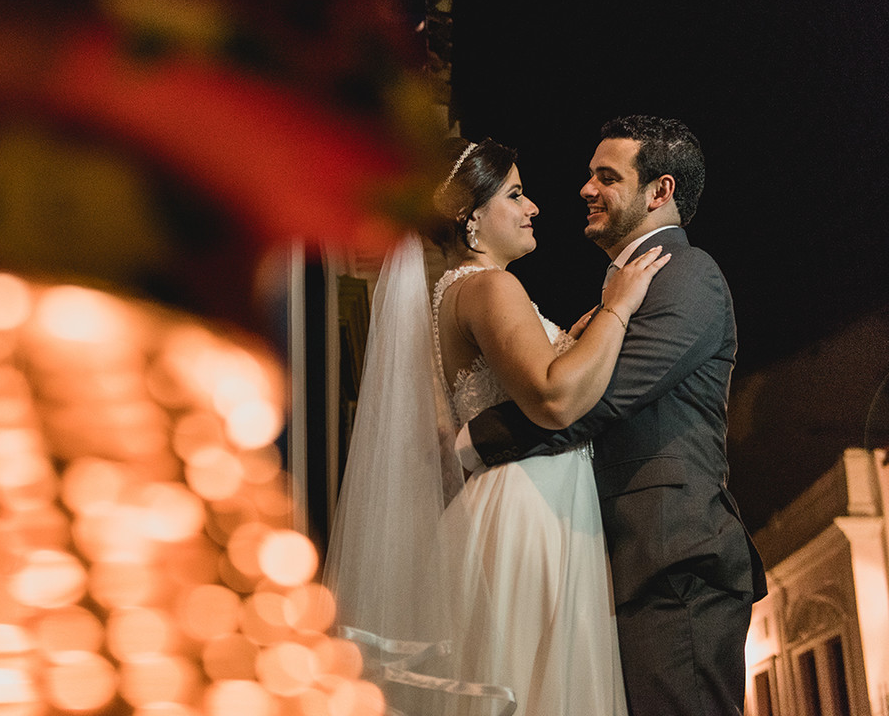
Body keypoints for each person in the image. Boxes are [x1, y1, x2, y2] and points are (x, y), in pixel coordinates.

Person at [323, 136, 668, 715]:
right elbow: (554, 398)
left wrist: (576, 338)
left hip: (509, 499)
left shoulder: (449, 294)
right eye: (516, 193)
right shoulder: (490, 286)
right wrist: (618, 308)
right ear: (471, 216)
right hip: (529, 504)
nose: (533, 207)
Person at [457, 116, 767, 716]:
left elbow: (595, 400)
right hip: (617, 562)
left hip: (674, 561)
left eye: (607, 176)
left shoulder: (688, 274)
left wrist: (471, 443)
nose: (584, 189)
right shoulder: (621, 291)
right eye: (589, 175)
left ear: (660, 191)